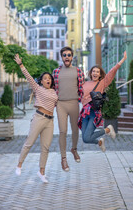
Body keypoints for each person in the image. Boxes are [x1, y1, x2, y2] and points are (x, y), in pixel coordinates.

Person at [14, 54, 58, 183]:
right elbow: (28, 77)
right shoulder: (37, 88)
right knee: (29, 142)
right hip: (39, 118)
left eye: (49, 78)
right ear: (41, 81)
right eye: (45, 78)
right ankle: (19, 165)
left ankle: (41, 172)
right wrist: (21, 64)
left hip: (50, 120)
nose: (48, 80)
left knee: (46, 147)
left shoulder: (55, 92)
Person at [78, 51, 127, 151]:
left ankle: (107, 129)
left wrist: (122, 60)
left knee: (87, 137)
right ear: (91, 73)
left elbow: (112, 72)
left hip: (93, 112)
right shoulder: (84, 84)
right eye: (94, 71)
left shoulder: (102, 83)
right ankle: (99, 142)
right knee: (85, 139)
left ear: (100, 74)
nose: (95, 73)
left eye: (97, 72)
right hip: (84, 112)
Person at [53, 46, 84, 171]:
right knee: (63, 131)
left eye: (69, 55)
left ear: (72, 57)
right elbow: (52, 88)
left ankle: (74, 149)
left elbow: (82, 88)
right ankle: (63, 158)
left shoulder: (78, 71)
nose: (66, 57)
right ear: (62, 57)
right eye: (64, 55)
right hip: (61, 104)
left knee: (75, 130)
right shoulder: (56, 72)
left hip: (74, 103)